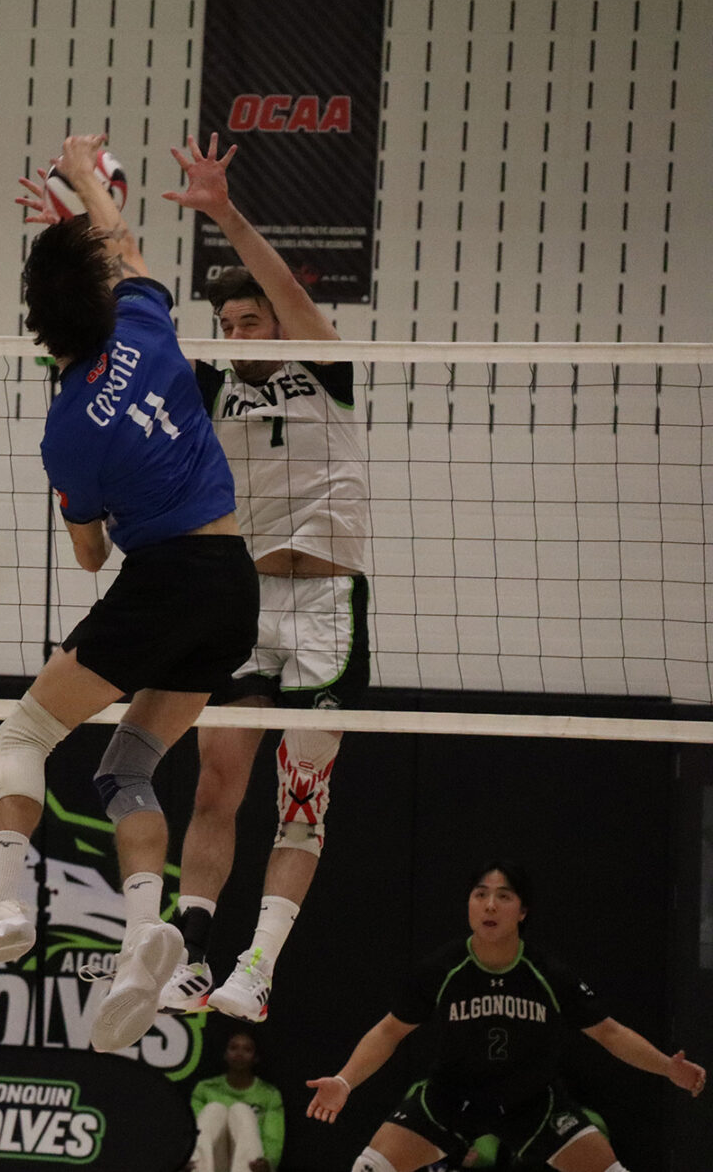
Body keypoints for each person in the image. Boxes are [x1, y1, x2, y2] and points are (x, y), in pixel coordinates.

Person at [0, 131, 260, 1056]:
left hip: (163, 579)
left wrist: (90, 487)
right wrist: (85, 178)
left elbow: (90, 556)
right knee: (125, 770)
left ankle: (3, 903)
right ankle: (147, 932)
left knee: (22, 734)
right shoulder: (147, 324)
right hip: (233, 588)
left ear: (41, 332)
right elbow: (124, 245)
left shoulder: (65, 434)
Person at [151, 133, 372, 1024]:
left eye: (253, 323)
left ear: (281, 325)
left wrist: (222, 213)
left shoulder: (326, 367)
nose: (240, 335)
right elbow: (124, 338)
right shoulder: (211, 388)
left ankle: (260, 966)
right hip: (245, 604)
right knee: (214, 778)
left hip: (324, 603)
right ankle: (194, 955)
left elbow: (283, 290)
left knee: (301, 798)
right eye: (231, 326)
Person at [306, 860, 705, 1172]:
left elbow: (610, 1033)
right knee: (367, 1167)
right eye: (480, 895)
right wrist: (344, 1080)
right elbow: (389, 1031)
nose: (490, 905)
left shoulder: (546, 972)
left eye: (504, 896)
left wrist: (666, 1068)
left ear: (523, 910)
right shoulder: (442, 968)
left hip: (531, 1101)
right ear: (468, 904)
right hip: (451, 1098)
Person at [190, 1029, 284, 1172]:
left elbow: (273, 1138)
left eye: (247, 1049)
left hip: (250, 1164)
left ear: (256, 1057)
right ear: (225, 1054)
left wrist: (269, 1162)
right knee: (214, 1109)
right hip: (213, 1163)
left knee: (241, 1111)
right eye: (233, 1048)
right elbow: (192, 1132)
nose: (239, 1054)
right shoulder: (205, 1089)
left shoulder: (269, 1094)